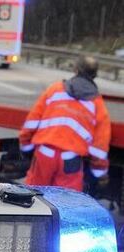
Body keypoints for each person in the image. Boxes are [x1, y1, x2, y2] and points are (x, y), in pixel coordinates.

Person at [19, 56, 111, 192]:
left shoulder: (55, 90)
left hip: (44, 155)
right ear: (95, 74)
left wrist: (26, 148)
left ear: (76, 69)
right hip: (71, 161)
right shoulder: (97, 103)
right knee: (66, 204)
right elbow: (100, 144)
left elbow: (31, 123)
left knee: (33, 199)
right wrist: (100, 172)